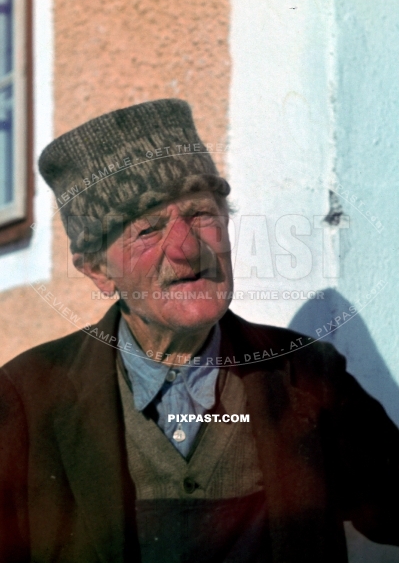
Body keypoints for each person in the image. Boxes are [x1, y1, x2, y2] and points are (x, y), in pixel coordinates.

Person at [0, 99, 398, 563]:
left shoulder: (307, 372)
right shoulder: (28, 396)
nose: (186, 248)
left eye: (200, 214)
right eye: (147, 229)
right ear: (97, 270)